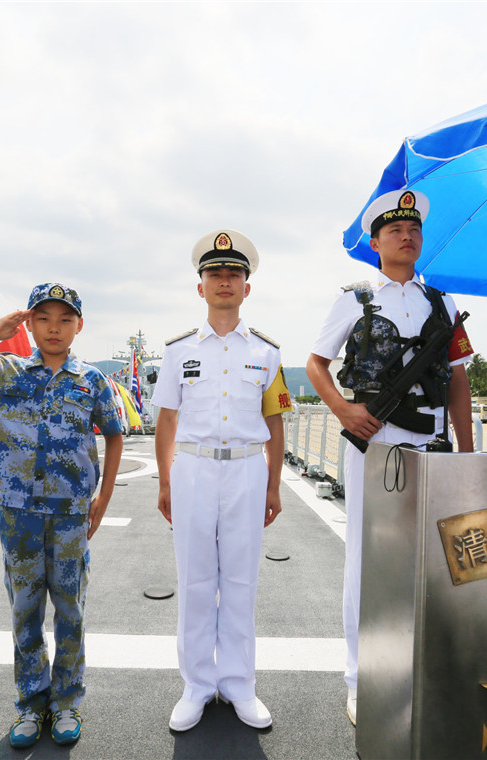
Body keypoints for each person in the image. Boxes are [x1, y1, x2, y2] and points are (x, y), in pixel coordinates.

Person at [0, 283, 124, 749]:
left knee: (70, 608)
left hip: (72, 513)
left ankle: (66, 701)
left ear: (79, 325)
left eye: (65, 319)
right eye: (43, 318)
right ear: (29, 323)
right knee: (25, 610)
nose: (54, 328)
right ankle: (30, 704)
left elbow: (114, 434)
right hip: (18, 513)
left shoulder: (91, 379)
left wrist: (104, 498)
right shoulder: (3, 371)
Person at [306, 189, 474, 726]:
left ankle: (421, 674)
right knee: (367, 558)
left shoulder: (442, 304)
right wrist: (343, 411)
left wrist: (468, 455)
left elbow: (460, 381)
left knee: (433, 560)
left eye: (415, 230)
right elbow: (315, 363)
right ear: (375, 242)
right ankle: (361, 678)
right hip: (373, 442)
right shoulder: (354, 299)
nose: (407, 236)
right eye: (396, 230)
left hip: (433, 446)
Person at [152, 229, 293, 732]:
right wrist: (165, 481)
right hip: (191, 468)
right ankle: (196, 685)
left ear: (246, 287)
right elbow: (166, 420)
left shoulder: (268, 352)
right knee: (193, 579)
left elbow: (274, 421)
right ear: (201, 287)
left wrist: (274, 485)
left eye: (234, 273)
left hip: (247, 469)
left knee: (240, 579)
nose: (225, 281)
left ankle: (239, 685)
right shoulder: (176, 351)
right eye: (215, 273)